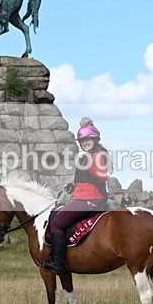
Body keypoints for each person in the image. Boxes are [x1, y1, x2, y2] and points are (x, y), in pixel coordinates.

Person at [42, 118, 110, 275]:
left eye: (88, 139)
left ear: (95, 139)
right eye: (82, 140)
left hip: (89, 199)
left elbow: (102, 177)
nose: (85, 142)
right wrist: (72, 186)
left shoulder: (97, 155)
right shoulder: (90, 154)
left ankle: (58, 264)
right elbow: (87, 179)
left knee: (57, 224)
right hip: (82, 195)